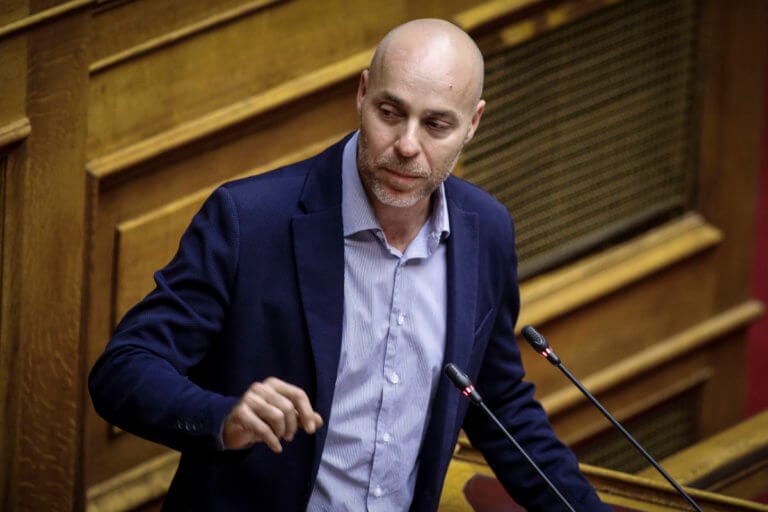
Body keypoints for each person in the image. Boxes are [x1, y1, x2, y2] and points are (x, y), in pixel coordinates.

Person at [89, 18, 610, 511]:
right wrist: (223, 418)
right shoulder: (249, 220)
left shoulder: (486, 230)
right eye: (390, 112)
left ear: (472, 124)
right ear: (362, 94)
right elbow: (124, 368)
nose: (407, 145)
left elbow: (497, 404)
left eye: (436, 124)